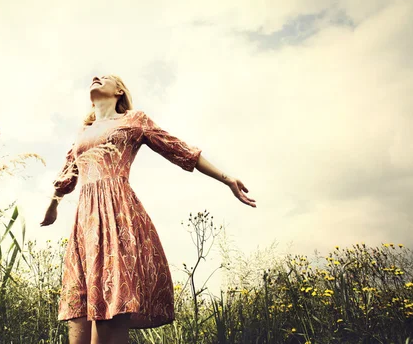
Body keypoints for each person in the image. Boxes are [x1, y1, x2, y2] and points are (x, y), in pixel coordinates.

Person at [41, 75, 256, 344]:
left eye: (106, 77)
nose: (96, 77)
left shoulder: (134, 120)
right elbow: (67, 175)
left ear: (119, 91)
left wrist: (227, 179)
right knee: (80, 318)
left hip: (116, 214)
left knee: (109, 309)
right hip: (85, 221)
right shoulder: (83, 132)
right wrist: (52, 207)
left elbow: (179, 149)